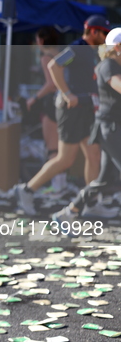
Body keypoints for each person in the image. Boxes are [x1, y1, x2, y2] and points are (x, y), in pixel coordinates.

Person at [14, 14, 109, 215]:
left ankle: (90, 203)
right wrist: (67, 94)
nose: (106, 37)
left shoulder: (94, 52)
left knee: (94, 156)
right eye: (104, 33)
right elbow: (54, 65)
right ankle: (27, 189)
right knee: (65, 159)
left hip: (87, 110)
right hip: (71, 110)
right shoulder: (77, 48)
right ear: (93, 32)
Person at [51, 27, 121, 226]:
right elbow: (118, 85)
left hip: (113, 127)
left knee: (104, 179)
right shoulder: (108, 65)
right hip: (109, 128)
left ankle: (68, 212)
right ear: (117, 47)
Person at [26, 27, 65, 191]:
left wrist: (33, 98)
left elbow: (50, 84)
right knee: (63, 148)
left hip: (51, 103)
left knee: (53, 148)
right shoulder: (63, 55)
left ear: (41, 40)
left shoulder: (46, 57)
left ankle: (56, 186)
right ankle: (60, 184)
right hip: (64, 102)